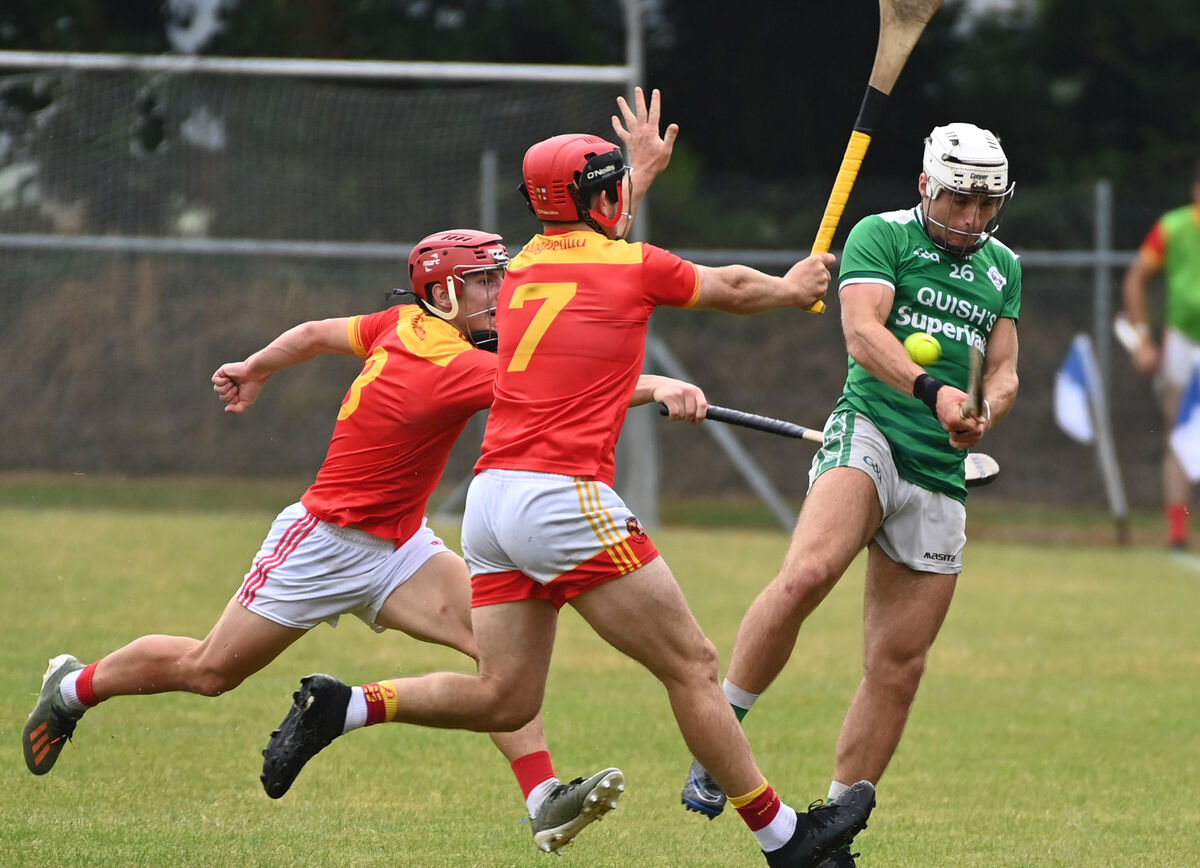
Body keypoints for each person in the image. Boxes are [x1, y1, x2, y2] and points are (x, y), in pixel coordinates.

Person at [20, 90, 692, 858]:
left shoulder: (398, 324)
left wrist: (257, 367)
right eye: (484, 283)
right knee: (210, 670)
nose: (500, 292)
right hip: (322, 541)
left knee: (493, 655)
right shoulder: (450, 367)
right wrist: (658, 387)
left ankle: (542, 799)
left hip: (400, 547)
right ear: (443, 292)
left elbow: (312, 333)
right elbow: (561, 381)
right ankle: (72, 687)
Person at [259, 91, 877, 868]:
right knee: (692, 666)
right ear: (605, 197)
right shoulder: (631, 263)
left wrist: (638, 177)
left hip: (491, 502)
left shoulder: (515, 269)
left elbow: (589, 244)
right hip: (564, 499)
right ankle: (785, 840)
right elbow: (729, 288)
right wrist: (791, 289)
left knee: (505, 698)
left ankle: (345, 707)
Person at [679, 122, 1021, 868]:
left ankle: (834, 826)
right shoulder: (883, 235)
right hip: (868, 430)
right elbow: (862, 332)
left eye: (986, 204)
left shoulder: (1001, 267)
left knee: (899, 664)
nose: (972, 218)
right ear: (928, 185)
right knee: (807, 575)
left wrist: (987, 408)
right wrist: (932, 391)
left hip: (939, 470)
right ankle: (720, 738)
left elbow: (1004, 365)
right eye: (961, 200)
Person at [1120, 157, 1200, 549]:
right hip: (1183, 342)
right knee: (1180, 434)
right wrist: (1143, 339)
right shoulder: (1173, 227)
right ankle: (1178, 532)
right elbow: (1136, 279)